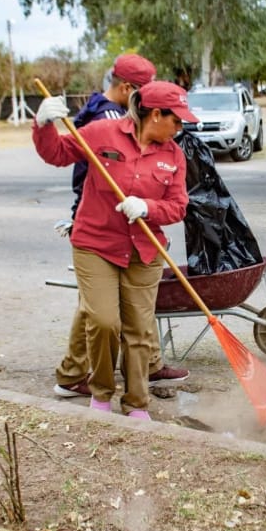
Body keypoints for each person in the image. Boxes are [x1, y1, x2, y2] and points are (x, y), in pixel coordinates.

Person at [33, 81, 194, 419]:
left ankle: (137, 404)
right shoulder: (103, 132)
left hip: (144, 250)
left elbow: (178, 207)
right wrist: (43, 124)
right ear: (154, 114)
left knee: (138, 329)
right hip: (96, 245)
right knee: (104, 322)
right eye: (176, 120)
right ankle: (101, 394)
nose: (180, 128)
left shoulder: (173, 155)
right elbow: (57, 153)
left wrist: (148, 207)